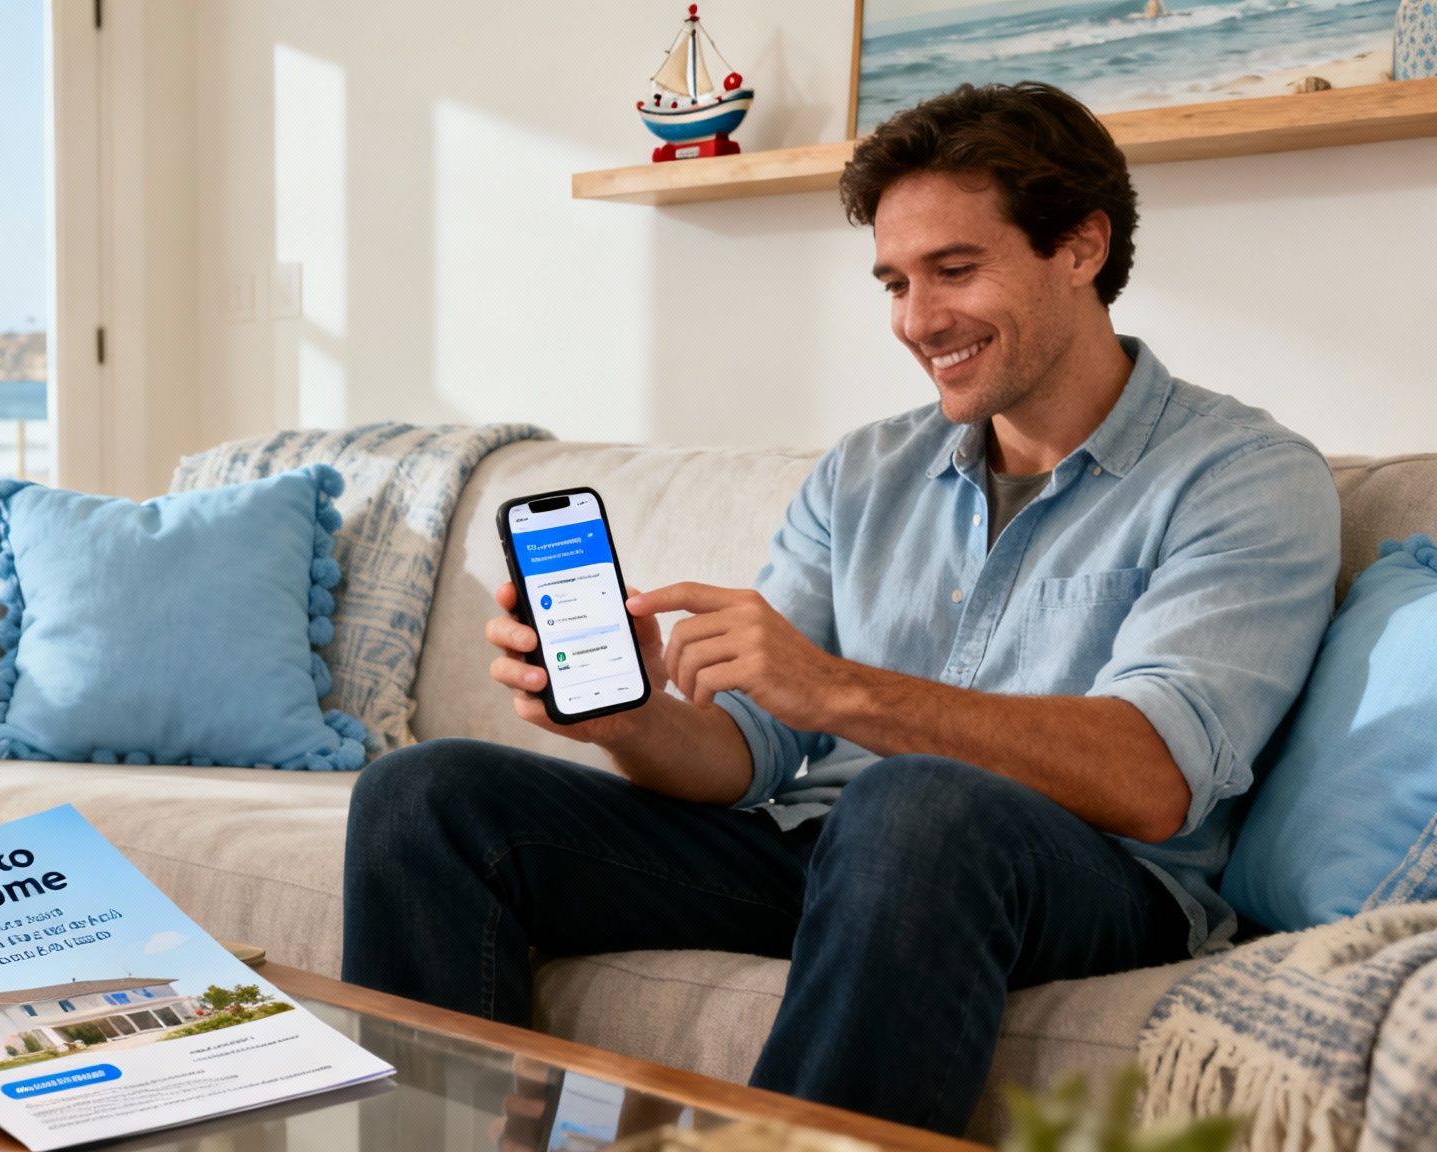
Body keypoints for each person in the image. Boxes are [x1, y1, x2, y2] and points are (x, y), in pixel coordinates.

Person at [339, 81, 1342, 1136]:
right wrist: (625, 715)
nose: (916, 321)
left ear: (1083, 246)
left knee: (915, 802)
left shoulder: (1242, 475)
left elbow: (1151, 780)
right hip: (844, 854)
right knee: (426, 797)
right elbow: (746, 754)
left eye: (954, 270)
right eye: (894, 283)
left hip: (1093, 884)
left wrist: (837, 689)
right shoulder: (865, 471)